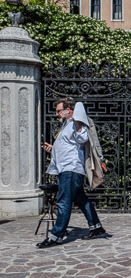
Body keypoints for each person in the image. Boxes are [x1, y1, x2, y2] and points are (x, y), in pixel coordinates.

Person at [37, 97, 106, 248]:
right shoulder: (66, 126)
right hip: (67, 169)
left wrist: (78, 121)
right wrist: (52, 149)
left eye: (58, 110)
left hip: (71, 169)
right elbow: (67, 147)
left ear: (68, 111)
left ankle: (56, 236)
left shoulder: (75, 124)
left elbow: (82, 138)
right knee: (81, 199)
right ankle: (96, 227)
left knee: (63, 202)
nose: (56, 114)